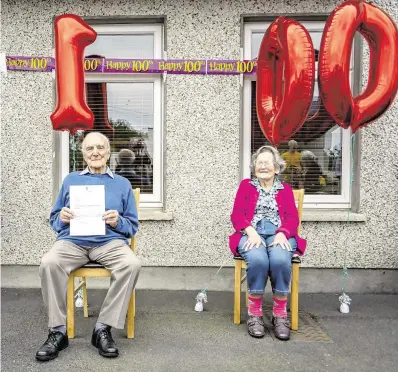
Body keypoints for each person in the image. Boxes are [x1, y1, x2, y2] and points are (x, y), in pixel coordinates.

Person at [36, 132, 141, 361]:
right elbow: (53, 220)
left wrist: (118, 221)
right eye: (90, 148)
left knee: (131, 264)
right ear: (83, 153)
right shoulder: (71, 180)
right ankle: (57, 331)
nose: (95, 152)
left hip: (109, 242)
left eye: (100, 148)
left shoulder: (122, 184)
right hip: (72, 241)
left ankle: (103, 327)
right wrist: (61, 217)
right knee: (49, 262)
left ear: (108, 152)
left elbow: (132, 227)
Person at [229, 145, 306, 340]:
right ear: (254, 167)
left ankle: (279, 314)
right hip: (251, 231)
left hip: (278, 232)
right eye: (259, 163)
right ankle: (255, 314)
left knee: (280, 259)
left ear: (277, 168)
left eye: (267, 163)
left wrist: (283, 233)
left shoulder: (285, 189)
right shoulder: (246, 186)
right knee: (258, 259)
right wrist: (250, 231)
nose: (263, 166)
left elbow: (291, 217)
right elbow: (237, 214)